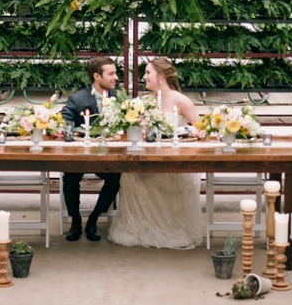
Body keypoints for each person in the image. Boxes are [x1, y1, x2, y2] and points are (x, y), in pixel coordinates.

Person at [108, 58, 203, 249]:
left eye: (147, 72)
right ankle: (138, 227)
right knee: (129, 174)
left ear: (160, 76)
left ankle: (170, 227)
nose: (144, 77)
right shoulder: (144, 101)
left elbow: (202, 128)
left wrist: (198, 132)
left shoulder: (180, 100)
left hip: (173, 160)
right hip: (147, 157)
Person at [61, 56, 120, 242]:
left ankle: (94, 219)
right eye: (111, 74)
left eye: (115, 73)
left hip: (109, 156)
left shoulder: (120, 98)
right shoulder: (77, 98)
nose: (116, 77)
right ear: (96, 76)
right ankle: (75, 221)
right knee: (69, 176)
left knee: (117, 176)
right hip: (81, 155)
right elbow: (63, 122)